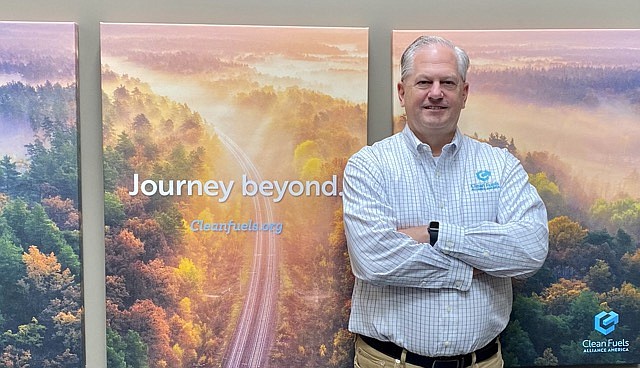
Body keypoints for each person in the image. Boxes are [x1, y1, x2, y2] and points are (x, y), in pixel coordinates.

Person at [342, 35, 549, 368]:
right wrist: (477, 265)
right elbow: (374, 260)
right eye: (424, 81)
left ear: (464, 93)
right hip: (388, 362)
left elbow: (529, 251)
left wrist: (434, 233)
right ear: (402, 92)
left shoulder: (501, 165)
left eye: (447, 83)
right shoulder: (369, 166)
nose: (435, 93)